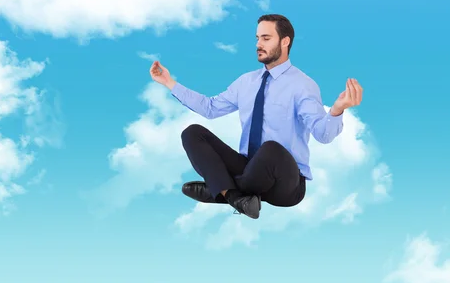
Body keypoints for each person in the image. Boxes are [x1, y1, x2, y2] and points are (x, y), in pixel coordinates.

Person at [149, 14, 363, 219]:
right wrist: (170, 82)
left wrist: (336, 110)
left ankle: (218, 189)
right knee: (193, 133)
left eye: (266, 38)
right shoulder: (246, 82)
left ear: (285, 41)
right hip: (249, 169)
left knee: (271, 149)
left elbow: (322, 134)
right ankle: (235, 197)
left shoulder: (303, 85)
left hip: (285, 183)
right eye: (258, 38)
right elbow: (210, 108)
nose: (259, 44)